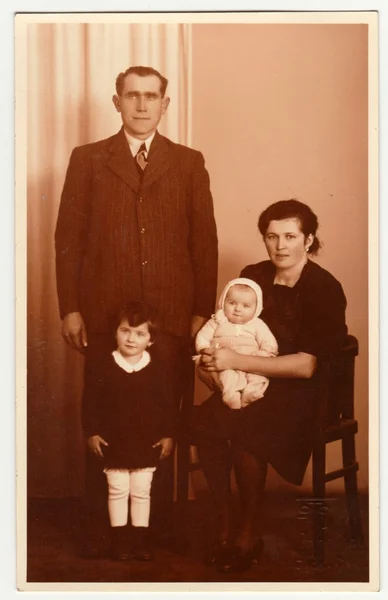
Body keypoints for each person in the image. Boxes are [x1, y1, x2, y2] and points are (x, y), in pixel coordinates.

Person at [55, 65, 218, 554]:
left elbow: (203, 243)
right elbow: (68, 241)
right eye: (133, 96)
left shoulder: (188, 162)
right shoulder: (88, 159)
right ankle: (102, 533)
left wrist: (199, 312)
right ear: (116, 101)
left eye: (152, 97)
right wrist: (71, 309)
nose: (142, 105)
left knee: (163, 422)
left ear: (165, 105)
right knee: (107, 422)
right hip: (107, 317)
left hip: (170, 315)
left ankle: (159, 532)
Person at [191, 199, 348, 573]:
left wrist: (235, 362)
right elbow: (226, 330)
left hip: (304, 392)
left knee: (247, 429)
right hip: (250, 381)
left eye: (290, 236)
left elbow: (307, 366)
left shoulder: (324, 287)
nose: (280, 245)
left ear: (308, 240)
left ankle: (248, 533)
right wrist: (213, 367)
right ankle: (225, 524)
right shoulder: (252, 276)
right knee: (206, 424)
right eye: (272, 236)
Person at [83, 301, 174, 561]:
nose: (131, 339)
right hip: (114, 442)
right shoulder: (104, 366)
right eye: (125, 331)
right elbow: (90, 402)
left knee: (142, 490)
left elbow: (168, 405)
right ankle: (120, 540)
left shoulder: (157, 369)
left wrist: (168, 434)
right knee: (118, 489)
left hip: (146, 443)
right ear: (115, 333)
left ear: (151, 340)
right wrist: (92, 432)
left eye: (140, 333)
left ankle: (140, 540)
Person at [195, 278, 278, 409]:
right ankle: (230, 395)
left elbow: (268, 342)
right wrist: (205, 350)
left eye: (246, 306)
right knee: (227, 376)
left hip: (251, 359)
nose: (238, 309)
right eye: (232, 303)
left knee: (258, 376)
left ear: (256, 308)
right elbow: (203, 337)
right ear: (223, 302)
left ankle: (252, 392)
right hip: (223, 360)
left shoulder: (257, 324)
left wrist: (263, 352)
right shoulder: (217, 321)